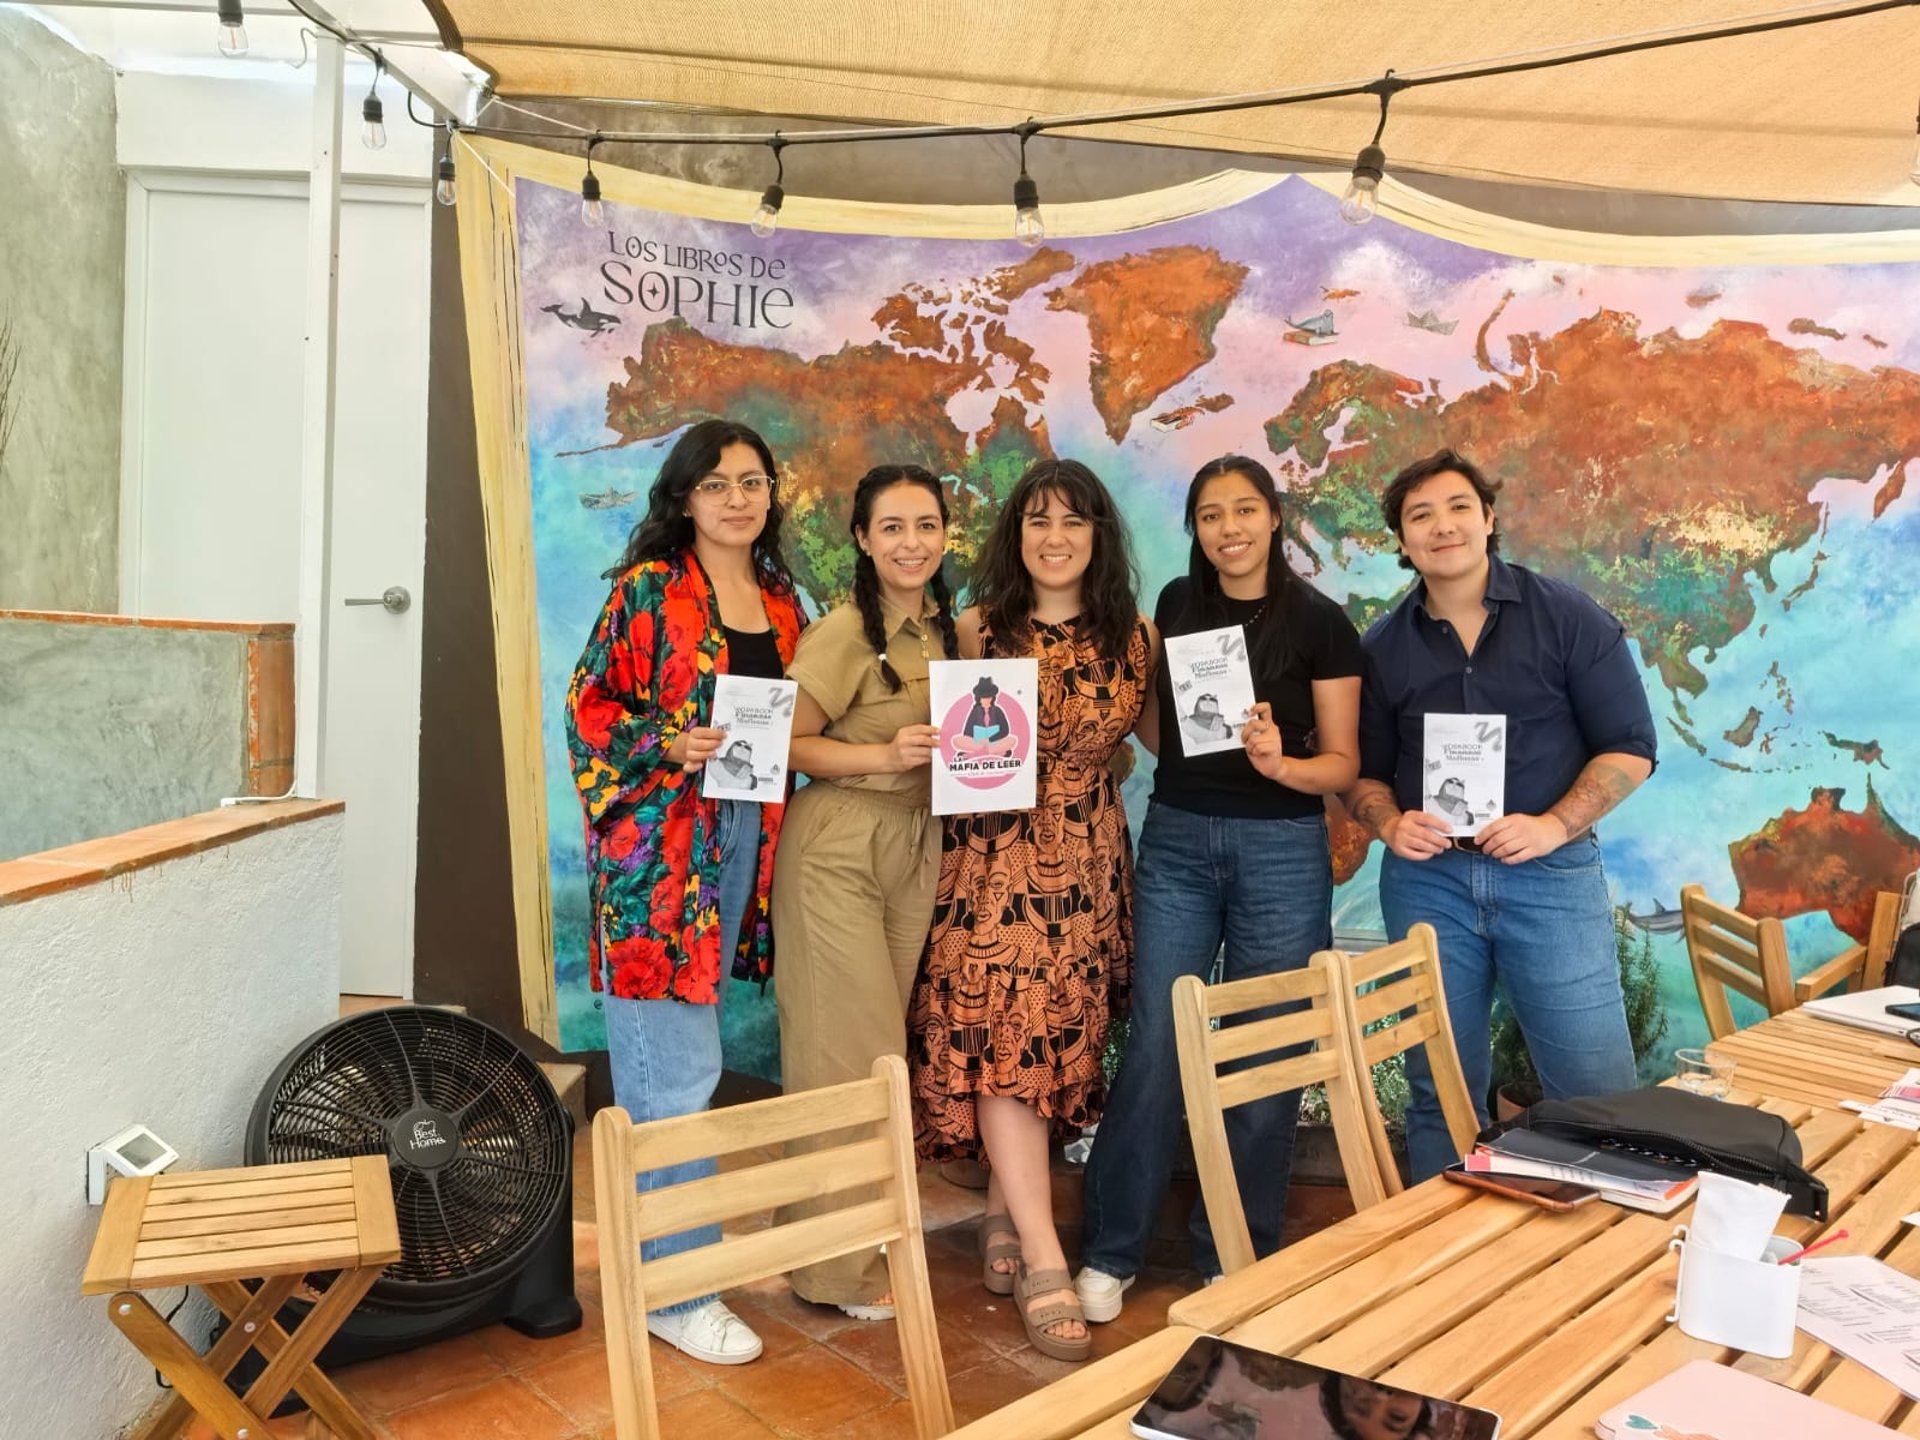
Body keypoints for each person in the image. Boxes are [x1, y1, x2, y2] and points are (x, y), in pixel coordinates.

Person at [1078, 454, 1364, 1319]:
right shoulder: (1175, 603)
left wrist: (1281, 765)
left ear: (1274, 520)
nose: (1228, 528)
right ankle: (1111, 1249)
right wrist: (1193, 760)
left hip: (1282, 847)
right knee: (1161, 1036)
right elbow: (1161, 722)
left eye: (1245, 510)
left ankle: (1234, 1253)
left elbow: (1344, 765)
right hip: (1177, 841)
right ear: (1196, 527)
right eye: (1210, 514)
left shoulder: (1321, 623)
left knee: (1266, 1046)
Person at [564, 418, 807, 1366]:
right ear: (685, 498)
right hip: (658, 851)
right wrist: (665, 741)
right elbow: (588, 707)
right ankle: (675, 1288)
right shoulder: (646, 592)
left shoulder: (783, 601)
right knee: (674, 1070)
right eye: (717, 484)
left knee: (684, 1056)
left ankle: (667, 1264)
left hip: (741, 832)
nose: (738, 498)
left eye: (753, 482)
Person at [1344, 449, 1656, 1181]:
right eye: (1419, 516)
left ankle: (1605, 1276)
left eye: (1458, 508)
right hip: (1429, 885)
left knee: (1599, 1092)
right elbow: (1363, 777)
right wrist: (1389, 823)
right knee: (1439, 1094)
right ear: (1402, 541)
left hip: (1551, 875)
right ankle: (1444, 1268)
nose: (1441, 526)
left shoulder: (1569, 619)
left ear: (1488, 519)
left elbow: (1631, 748)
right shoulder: (1382, 649)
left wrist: (1553, 825)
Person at [908, 458, 1153, 1363]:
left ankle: (1005, 1213)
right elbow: (942, 742)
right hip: (994, 860)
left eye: (1074, 522)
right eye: (1038, 521)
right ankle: (1046, 1252)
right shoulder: (977, 629)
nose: (1055, 538)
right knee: (1009, 1032)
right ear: (1017, 536)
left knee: (1060, 1039)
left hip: (1091, 865)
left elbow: (1165, 740)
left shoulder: (1138, 637)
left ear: (1099, 536)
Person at [770, 462, 959, 1317]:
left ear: (947, 535)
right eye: (892, 527)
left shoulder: (952, 632)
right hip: (840, 843)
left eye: (925, 526)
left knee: (882, 1055)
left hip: (917, 844)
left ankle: (837, 1243)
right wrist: (885, 756)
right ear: (861, 538)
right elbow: (787, 746)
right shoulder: (846, 629)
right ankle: (829, 1272)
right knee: (843, 1057)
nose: (910, 543)